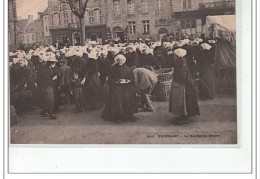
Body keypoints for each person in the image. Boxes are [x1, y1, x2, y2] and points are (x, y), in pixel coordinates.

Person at [101, 54, 137, 123]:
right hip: (116, 88)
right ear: (116, 61)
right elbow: (110, 79)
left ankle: (129, 116)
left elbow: (132, 78)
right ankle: (119, 117)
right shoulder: (113, 69)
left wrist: (127, 81)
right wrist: (117, 81)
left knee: (128, 100)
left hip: (126, 88)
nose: (120, 61)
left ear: (124, 61)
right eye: (118, 60)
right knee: (118, 101)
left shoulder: (127, 68)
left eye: (121, 60)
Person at [169, 49, 200, 125]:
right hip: (181, 83)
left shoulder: (181, 61)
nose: (174, 56)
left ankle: (184, 117)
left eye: (174, 55)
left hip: (183, 85)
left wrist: (175, 76)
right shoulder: (180, 61)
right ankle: (181, 115)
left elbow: (182, 75)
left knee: (182, 101)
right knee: (179, 101)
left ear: (177, 55)